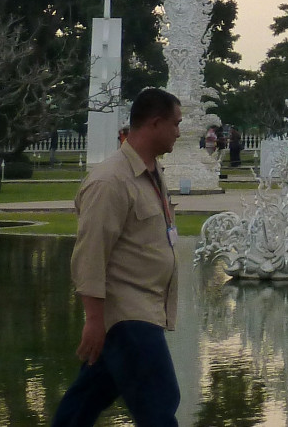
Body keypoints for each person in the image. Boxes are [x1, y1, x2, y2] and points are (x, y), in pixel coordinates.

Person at [53, 87, 184, 427]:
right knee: (160, 402)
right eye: (175, 124)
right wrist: (95, 320)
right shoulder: (110, 180)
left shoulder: (150, 173)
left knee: (83, 403)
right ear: (155, 123)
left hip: (143, 310)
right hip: (126, 315)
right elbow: (90, 255)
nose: (179, 132)